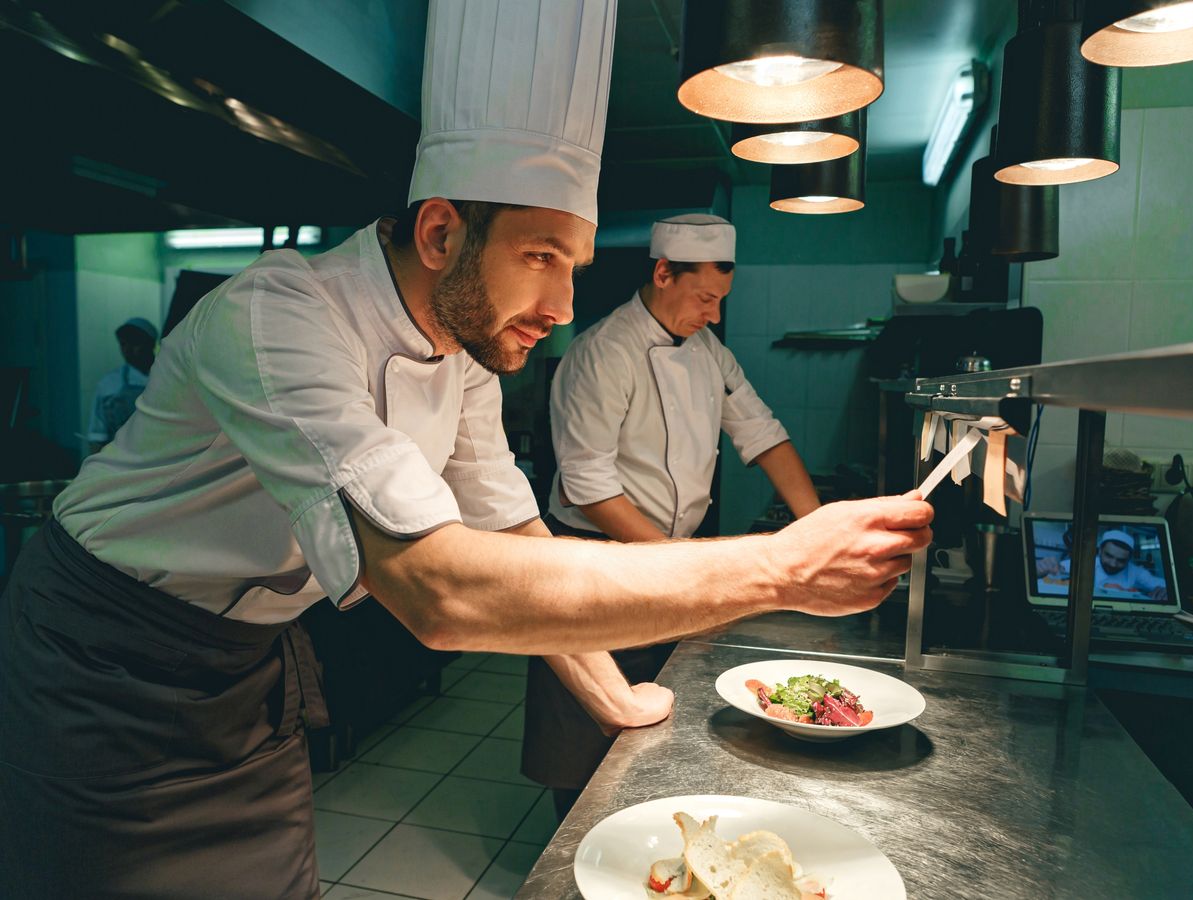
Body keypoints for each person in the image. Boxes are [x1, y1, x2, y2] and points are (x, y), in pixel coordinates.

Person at [0, 2, 932, 895]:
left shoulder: (463, 357)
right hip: (102, 657)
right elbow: (437, 591)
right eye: (541, 256)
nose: (564, 307)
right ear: (442, 231)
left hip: (245, 664)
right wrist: (781, 568)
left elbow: (516, 532)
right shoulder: (276, 315)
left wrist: (614, 697)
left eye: (574, 266)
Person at [524, 214, 822, 817]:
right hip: (594, 558)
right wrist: (680, 567)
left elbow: (762, 433)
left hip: (661, 551)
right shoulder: (603, 352)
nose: (714, 314)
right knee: (584, 724)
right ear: (664, 273)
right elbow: (589, 488)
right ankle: (569, 848)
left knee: (656, 712)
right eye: (705, 297)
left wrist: (818, 532)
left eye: (721, 300)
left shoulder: (708, 351)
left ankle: (641, 829)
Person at [85, 316, 157, 453]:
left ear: (151, 344)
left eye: (135, 343)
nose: (128, 349)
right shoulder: (109, 384)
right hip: (124, 457)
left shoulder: (170, 377)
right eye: (123, 344)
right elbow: (97, 436)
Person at [1037, 529, 1168, 601]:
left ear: (1129, 559)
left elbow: (1165, 585)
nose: (1113, 564)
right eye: (1109, 556)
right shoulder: (1081, 564)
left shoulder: (1136, 572)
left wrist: (1165, 591)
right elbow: (1051, 573)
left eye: (1121, 560)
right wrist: (1041, 570)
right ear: (1100, 551)